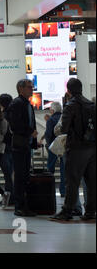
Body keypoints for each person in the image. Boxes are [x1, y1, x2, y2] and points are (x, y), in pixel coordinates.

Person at [52, 78, 96, 221]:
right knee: (91, 182)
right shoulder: (91, 104)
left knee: (72, 181)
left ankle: (67, 211)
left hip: (76, 147)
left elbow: (63, 129)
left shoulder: (70, 105)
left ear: (68, 91)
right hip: (92, 147)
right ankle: (90, 211)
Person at [7, 79, 38, 217]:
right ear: (21, 89)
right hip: (19, 144)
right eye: (29, 87)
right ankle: (19, 206)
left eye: (32, 87)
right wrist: (29, 132)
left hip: (26, 144)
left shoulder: (27, 104)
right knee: (20, 176)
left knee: (24, 175)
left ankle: (24, 205)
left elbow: (32, 124)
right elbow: (15, 125)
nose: (32, 89)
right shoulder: (17, 104)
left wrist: (34, 140)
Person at [43, 102, 65, 197]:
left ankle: (49, 190)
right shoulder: (64, 117)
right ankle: (63, 191)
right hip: (64, 146)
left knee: (50, 169)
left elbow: (48, 134)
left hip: (54, 146)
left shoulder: (51, 119)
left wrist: (48, 144)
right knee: (63, 170)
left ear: (52, 110)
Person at [0, 93, 15, 206]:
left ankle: (9, 198)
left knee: (7, 174)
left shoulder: (2, 116)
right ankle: (13, 196)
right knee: (12, 173)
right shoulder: (15, 114)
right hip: (14, 146)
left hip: (4, 147)